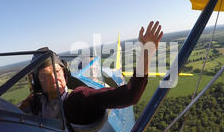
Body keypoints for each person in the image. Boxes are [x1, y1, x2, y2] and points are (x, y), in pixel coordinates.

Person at [19, 21, 163, 125]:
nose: (54, 79)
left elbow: (130, 96)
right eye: (45, 76)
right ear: (36, 82)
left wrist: (146, 52)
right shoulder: (34, 103)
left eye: (57, 72)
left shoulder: (80, 98)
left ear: (64, 73)